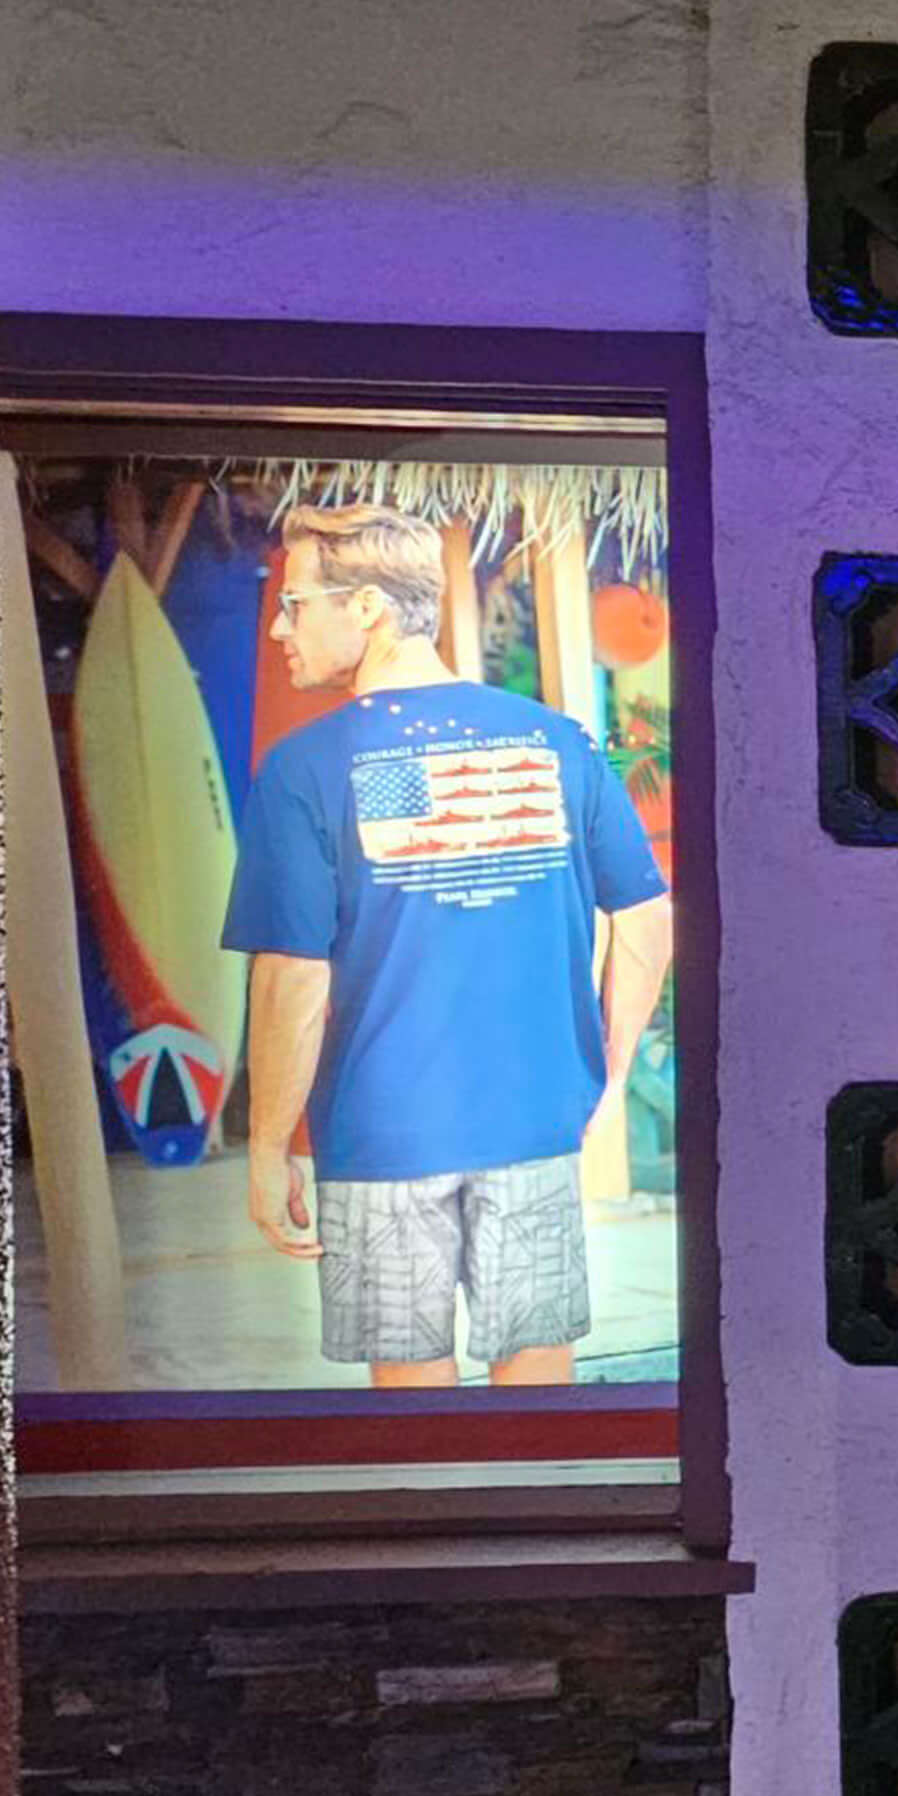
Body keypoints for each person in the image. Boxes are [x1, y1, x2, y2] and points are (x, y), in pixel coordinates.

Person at [222, 503, 673, 1387]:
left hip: (384, 1130)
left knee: (416, 1418)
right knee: (539, 1389)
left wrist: (269, 1143)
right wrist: (610, 1077)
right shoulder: (557, 741)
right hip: (535, 1118)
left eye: (295, 603)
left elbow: (292, 976)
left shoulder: (308, 768)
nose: (279, 627)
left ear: (367, 608)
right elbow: (649, 921)